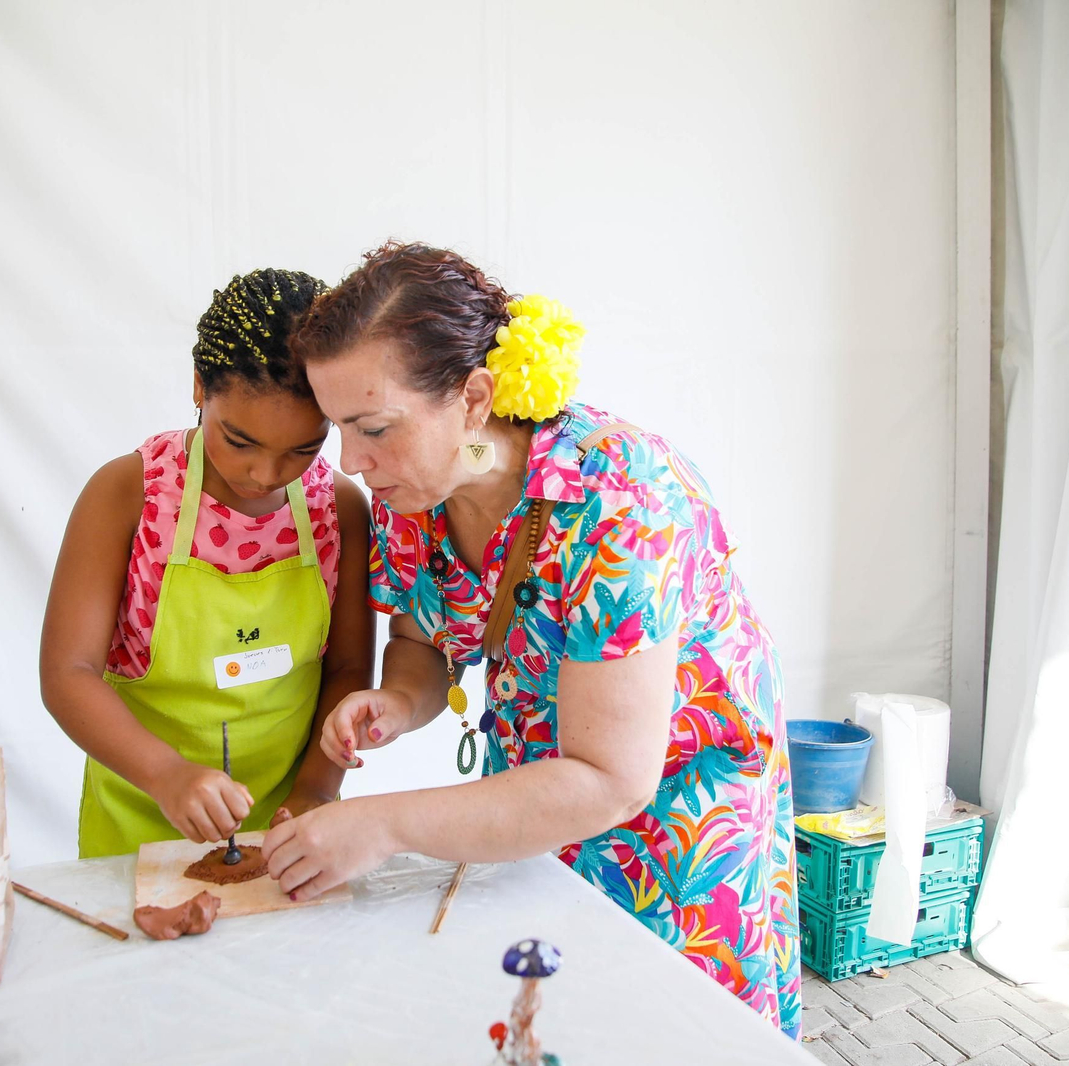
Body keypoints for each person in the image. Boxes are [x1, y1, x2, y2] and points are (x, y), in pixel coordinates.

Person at [265, 242, 801, 1037]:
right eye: (341, 428)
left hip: (683, 830)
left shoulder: (620, 501)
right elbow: (423, 641)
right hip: (539, 809)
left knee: (664, 1036)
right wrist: (393, 700)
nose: (352, 460)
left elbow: (613, 780)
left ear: (475, 396)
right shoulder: (419, 485)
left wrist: (380, 823)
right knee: (551, 1027)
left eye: (373, 426)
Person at [40, 268, 374, 858]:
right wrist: (167, 774)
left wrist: (317, 792)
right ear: (200, 386)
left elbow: (347, 667)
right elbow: (68, 674)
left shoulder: (338, 508)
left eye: (303, 448)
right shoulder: (129, 494)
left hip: (286, 822)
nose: (264, 474)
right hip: (138, 815)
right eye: (240, 441)